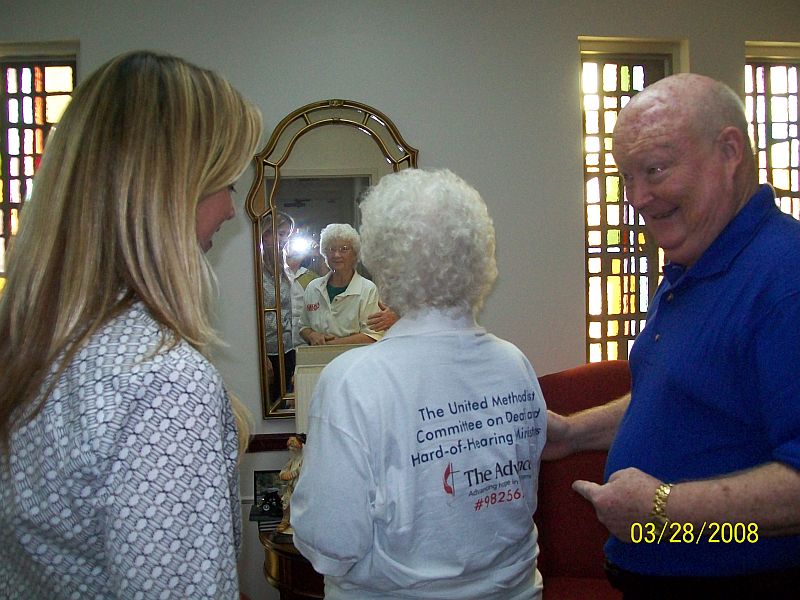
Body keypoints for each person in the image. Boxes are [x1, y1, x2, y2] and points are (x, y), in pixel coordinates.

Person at [0, 51, 262, 599]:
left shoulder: (37, 347)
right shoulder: (162, 380)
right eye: (226, 184)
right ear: (170, 189)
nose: (232, 211)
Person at [547, 73, 800, 598]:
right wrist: (572, 434)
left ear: (729, 150)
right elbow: (680, 395)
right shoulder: (693, 260)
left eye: (655, 170)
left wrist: (662, 508)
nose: (638, 198)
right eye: (627, 178)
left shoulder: (785, 277)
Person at [291, 169, 548, 600]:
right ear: (478, 254)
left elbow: (330, 545)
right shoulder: (514, 364)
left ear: (383, 265)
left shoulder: (354, 381)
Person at [298, 223, 384, 345]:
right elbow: (303, 326)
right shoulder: (313, 287)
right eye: (331, 249)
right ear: (324, 254)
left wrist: (331, 345)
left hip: (354, 359)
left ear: (355, 254)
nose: (336, 255)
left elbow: (372, 335)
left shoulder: (368, 289)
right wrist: (312, 335)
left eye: (344, 249)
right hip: (318, 360)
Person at [263, 212, 296, 402]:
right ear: (266, 234)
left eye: (287, 235)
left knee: (285, 400)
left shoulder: (283, 268)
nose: (284, 239)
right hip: (267, 350)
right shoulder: (254, 269)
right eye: (280, 233)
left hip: (287, 347)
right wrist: (260, 355)